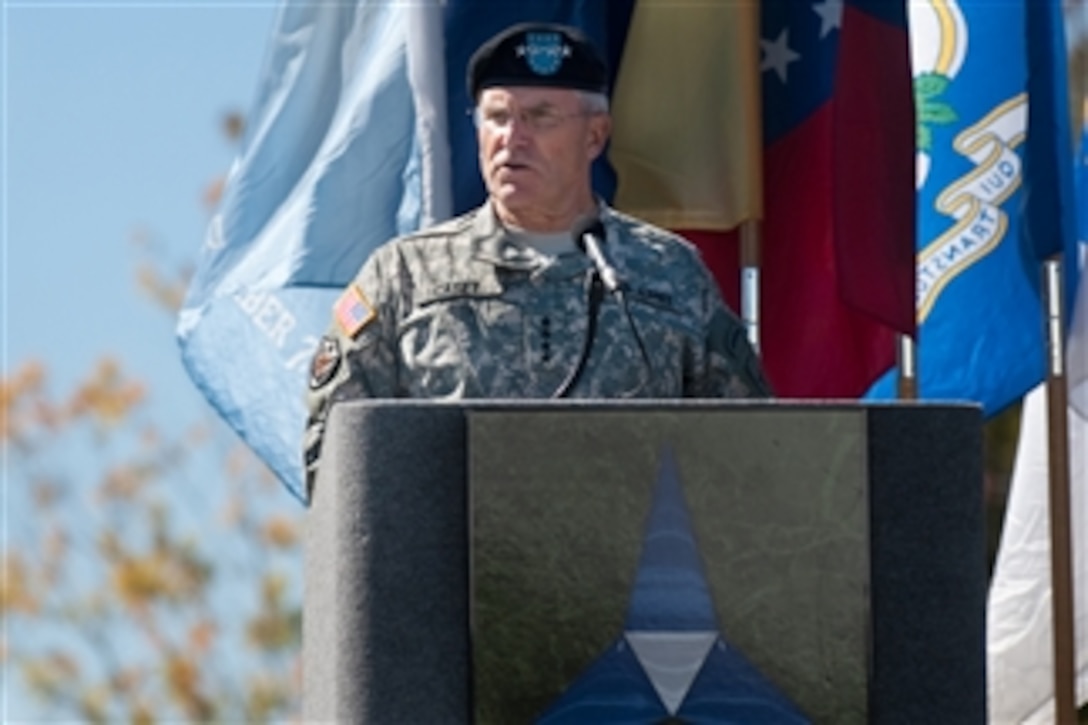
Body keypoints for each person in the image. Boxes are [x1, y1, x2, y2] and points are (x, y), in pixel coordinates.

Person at [303, 22, 771, 491]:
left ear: (595, 136)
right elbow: (336, 454)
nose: (513, 137)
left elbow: (745, 447)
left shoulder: (670, 274)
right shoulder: (404, 276)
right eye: (497, 116)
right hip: (448, 559)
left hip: (631, 559)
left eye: (541, 116)